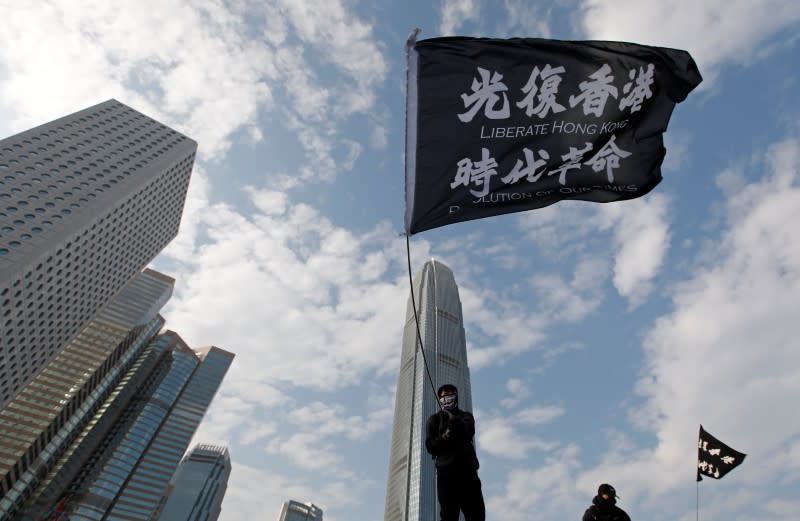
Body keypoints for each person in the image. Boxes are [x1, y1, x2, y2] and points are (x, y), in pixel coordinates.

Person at [425, 384, 485, 521]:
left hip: (468, 473)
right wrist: (446, 436)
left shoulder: (466, 416)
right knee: (448, 516)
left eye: (451, 393)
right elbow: (430, 446)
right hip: (445, 475)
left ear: (456, 396)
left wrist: (456, 425)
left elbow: (468, 432)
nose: (447, 397)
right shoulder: (433, 420)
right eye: (444, 395)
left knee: (476, 515)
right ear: (440, 398)